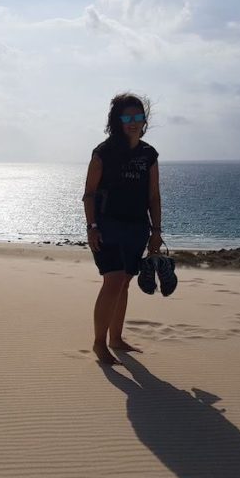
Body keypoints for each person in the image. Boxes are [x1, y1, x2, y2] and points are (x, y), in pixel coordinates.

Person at [82, 92, 162, 365]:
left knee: (125, 282)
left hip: (137, 228)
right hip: (107, 226)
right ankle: (98, 343)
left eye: (138, 116)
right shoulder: (103, 153)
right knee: (113, 280)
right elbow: (89, 194)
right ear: (117, 120)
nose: (133, 122)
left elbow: (154, 196)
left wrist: (156, 231)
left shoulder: (149, 154)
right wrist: (92, 227)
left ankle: (116, 338)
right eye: (127, 117)